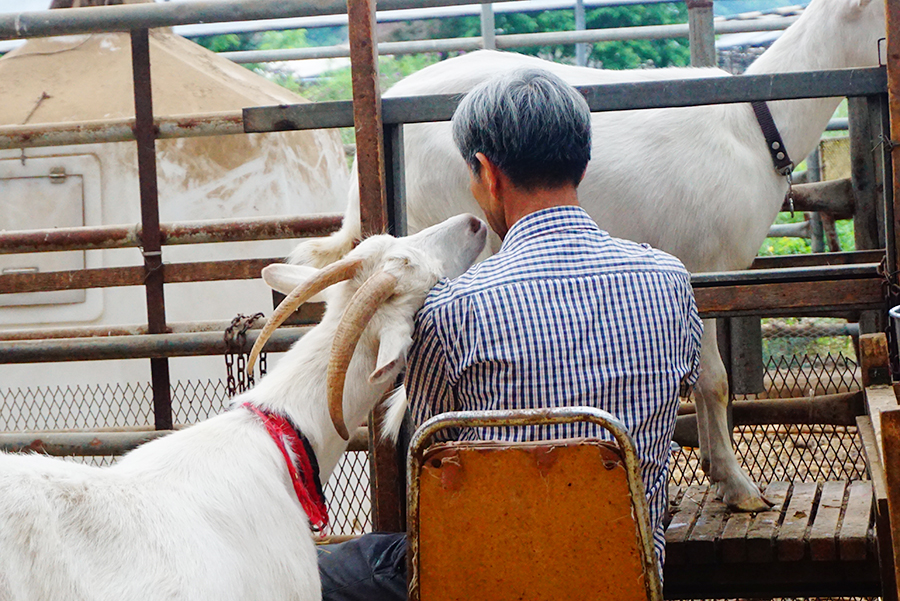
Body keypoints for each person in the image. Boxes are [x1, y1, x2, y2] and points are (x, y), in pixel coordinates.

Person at [318, 67, 703, 601]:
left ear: (487, 173)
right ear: (582, 163)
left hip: (487, 579)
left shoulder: (451, 309)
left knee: (317, 572)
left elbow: (435, 459)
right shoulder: (668, 281)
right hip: (624, 574)